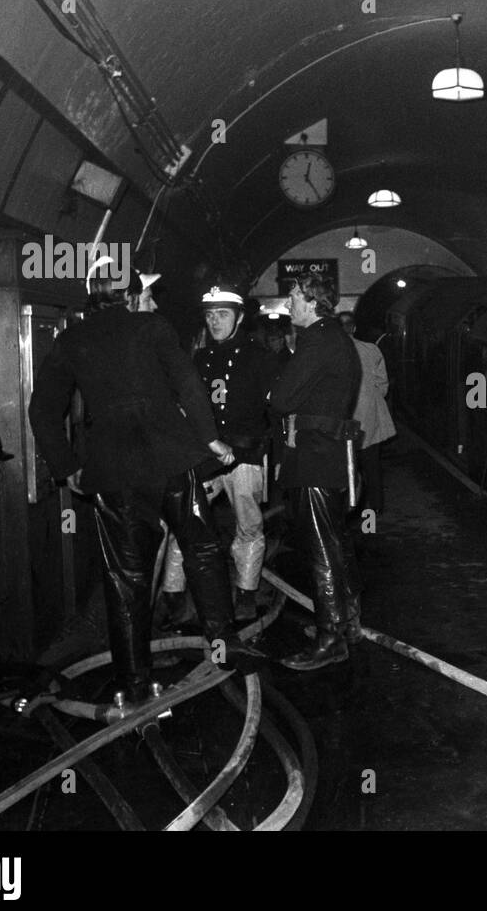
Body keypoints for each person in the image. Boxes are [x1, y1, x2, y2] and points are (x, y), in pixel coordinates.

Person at [28, 273, 267, 705]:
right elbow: (188, 385)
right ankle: (224, 646)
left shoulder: (71, 339)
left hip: (113, 469)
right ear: (133, 295)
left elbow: (42, 409)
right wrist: (210, 437)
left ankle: (133, 681)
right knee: (202, 548)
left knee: (125, 575)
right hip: (172, 459)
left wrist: (66, 467)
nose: (153, 302)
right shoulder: (152, 328)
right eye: (148, 294)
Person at [159, 286, 279, 623]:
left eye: (222, 314)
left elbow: (276, 406)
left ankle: (245, 594)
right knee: (184, 522)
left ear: (239, 317)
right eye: (210, 315)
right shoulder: (199, 358)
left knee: (249, 526)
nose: (215, 321)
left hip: (245, 454)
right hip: (206, 454)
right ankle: (173, 597)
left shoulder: (260, 357)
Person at [272, 276, 364, 670]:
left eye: (293, 297)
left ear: (311, 302)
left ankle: (330, 639)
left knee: (321, 549)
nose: (288, 304)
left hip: (315, 457)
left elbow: (282, 398)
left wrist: (274, 395)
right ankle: (347, 623)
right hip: (330, 456)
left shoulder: (317, 339)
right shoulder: (335, 337)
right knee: (336, 542)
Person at [338, 310, 396, 513]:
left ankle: (351, 507)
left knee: (346, 467)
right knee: (372, 466)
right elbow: (382, 384)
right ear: (354, 328)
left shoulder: (332, 352)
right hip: (369, 418)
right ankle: (375, 509)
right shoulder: (371, 350)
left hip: (342, 420)